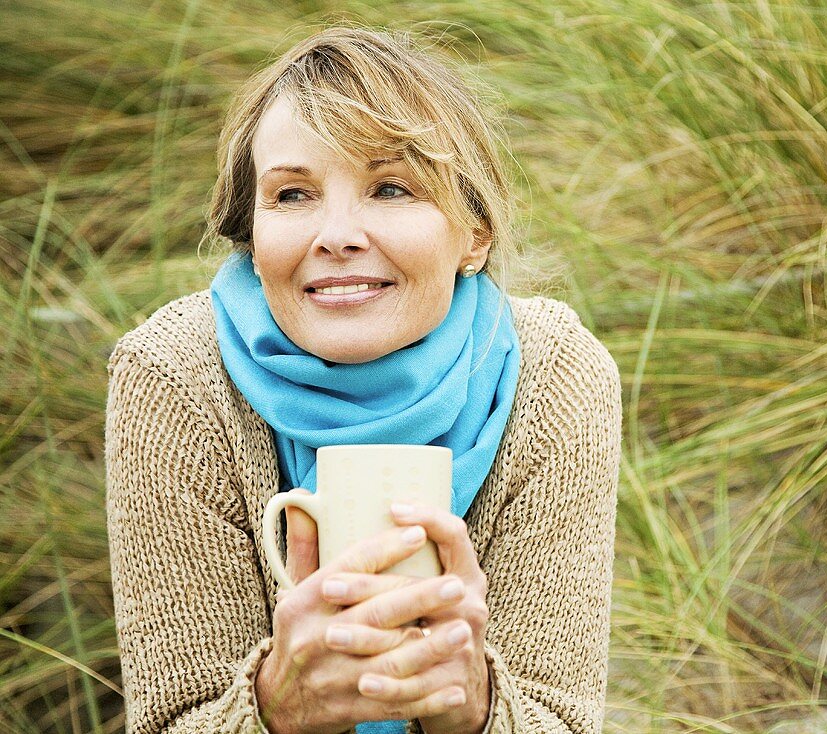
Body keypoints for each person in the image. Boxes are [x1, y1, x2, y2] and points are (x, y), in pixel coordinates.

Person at [104, 27, 621, 734]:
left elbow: (562, 722)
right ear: (252, 239)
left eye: (389, 187)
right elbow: (170, 722)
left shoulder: (555, 374)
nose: (337, 235)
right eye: (292, 195)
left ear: (474, 233)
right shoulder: (176, 375)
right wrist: (275, 708)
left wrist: (473, 706)